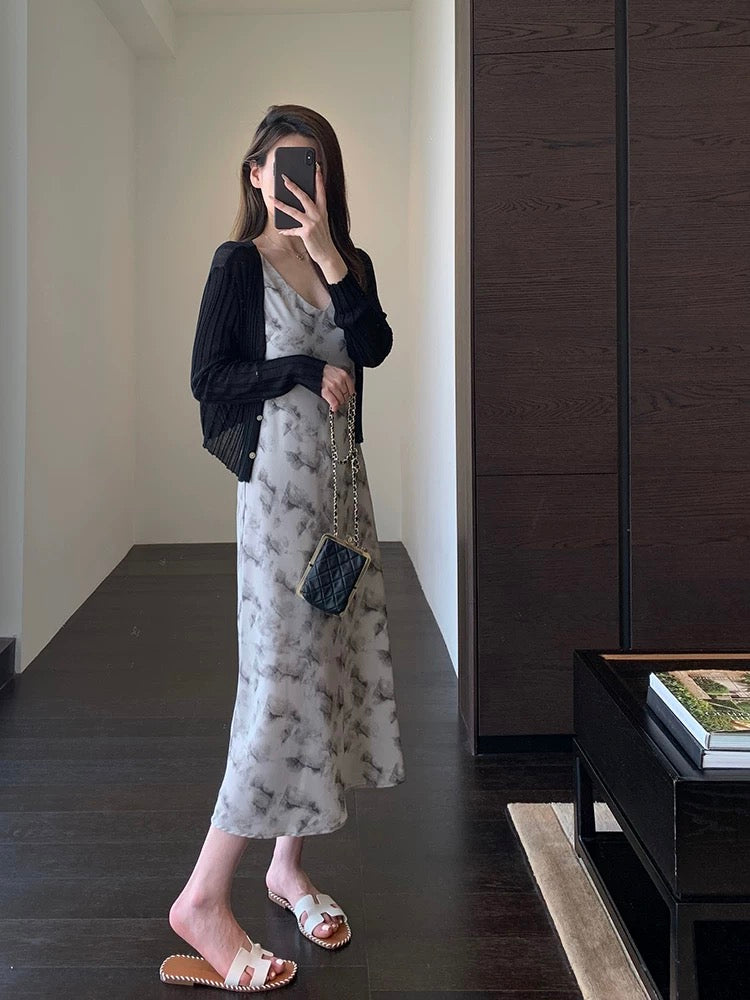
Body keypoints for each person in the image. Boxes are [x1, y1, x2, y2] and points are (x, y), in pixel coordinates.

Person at [164, 105, 406, 992]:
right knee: (279, 680)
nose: (303, 179)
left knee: (327, 672)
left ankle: (285, 869)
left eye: (318, 166)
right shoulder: (239, 265)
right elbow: (209, 377)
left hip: (343, 494)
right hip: (276, 503)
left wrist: (332, 256)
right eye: (286, 164)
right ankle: (201, 898)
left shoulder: (350, 265)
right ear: (257, 174)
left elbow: (375, 345)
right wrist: (301, 369)